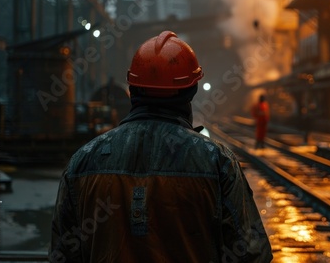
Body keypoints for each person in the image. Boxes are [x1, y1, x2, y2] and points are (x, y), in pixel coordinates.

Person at [49, 31, 273, 263]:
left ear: (132, 90)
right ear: (191, 91)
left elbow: (62, 256)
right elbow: (251, 255)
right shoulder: (217, 162)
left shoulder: (83, 162)